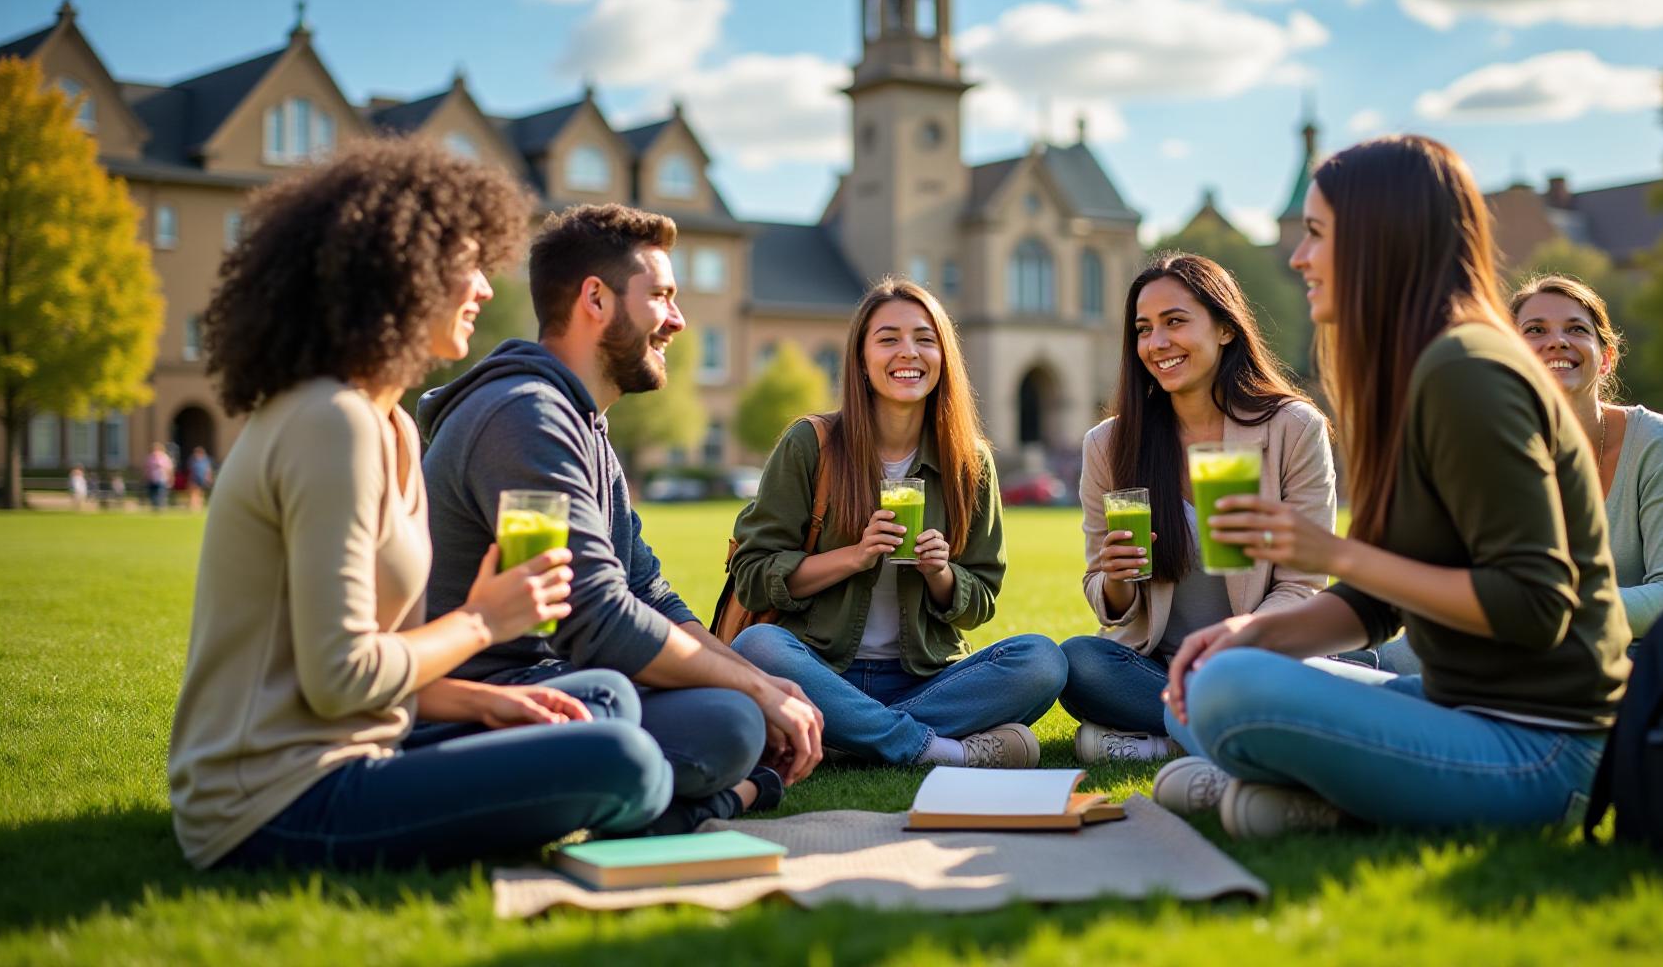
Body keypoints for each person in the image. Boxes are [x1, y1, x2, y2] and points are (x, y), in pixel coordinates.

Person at [169, 139, 672, 871]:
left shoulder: (395, 426)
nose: (485, 288)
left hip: (362, 751)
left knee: (601, 698)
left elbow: (379, 672)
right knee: (627, 759)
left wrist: (482, 703)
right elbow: (341, 678)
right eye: (467, 264)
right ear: (399, 271)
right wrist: (482, 620)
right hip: (273, 805)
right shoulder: (326, 423)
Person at [1155, 135, 1631, 840]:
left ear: (1381, 238)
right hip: (1457, 704)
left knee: (1228, 690)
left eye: (1316, 234)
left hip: (1547, 747)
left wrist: (1330, 551)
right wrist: (1250, 630)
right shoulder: (1419, 371)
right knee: (1198, 682)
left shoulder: (1468, 370)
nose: (1297, 257)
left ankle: (1324, 795)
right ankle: (1316, 796)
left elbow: (1535, 606)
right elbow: (1377, 604)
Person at [419, 204, 819, 826]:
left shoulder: (583, 426)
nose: (679, 321)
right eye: (661, 295)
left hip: (566, 679)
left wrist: (756, 677)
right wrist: (754, 693)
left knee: (737, 707)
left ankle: (678, 793)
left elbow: (646, 590)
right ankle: (719, 797)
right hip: (486, 700)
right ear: (596, 300)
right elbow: (599, 619)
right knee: (731, 722)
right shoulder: (525, 416)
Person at [729, 278, 1068, 769]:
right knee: (757, 646)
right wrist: (854, 557)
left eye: (924, 339)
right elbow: (754, 575)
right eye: (888, 338)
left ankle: (847, 734)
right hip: (821, 668)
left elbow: (982, 600)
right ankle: (929, 746)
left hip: (925, 678)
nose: (907, 352)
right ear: (862, 361)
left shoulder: (969, 463)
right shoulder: (811, 444)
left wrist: (941, 574)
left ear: (943, 357)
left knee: (1043, 661)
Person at [1064, 253, 1334, 762]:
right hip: (1158, 667)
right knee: (1080, 663)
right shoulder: (1109, 444)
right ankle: (1216, 730)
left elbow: (1303, 585)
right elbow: (1102, 596)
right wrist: (1118, 580)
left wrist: (1236, 644)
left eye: (1175, 322)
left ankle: (1163, 742)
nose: (1157, 343)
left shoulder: (1293, 428)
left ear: (1226, 328)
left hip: (1256, 654)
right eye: (1144, 329)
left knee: (1375, 660)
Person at [1372, 274, 1663, 674]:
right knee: (1362, 674)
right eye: (1534, 331)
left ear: (1605, 359)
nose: (1557, 342)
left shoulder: (1656, 443)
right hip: (1485, 653)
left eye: (1576, 329)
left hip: (1617, 667)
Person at [143, 443, 172, 510]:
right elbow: (147, 468)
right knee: (152, 493)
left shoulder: (164, 457)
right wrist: (146, 476)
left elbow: (169, 469)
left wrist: (170, 478)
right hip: (152, 479)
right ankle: (154, 506)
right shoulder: (150, 457)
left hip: (162, 478)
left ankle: (160, 506)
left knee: (161, 493)